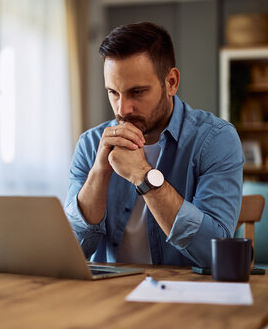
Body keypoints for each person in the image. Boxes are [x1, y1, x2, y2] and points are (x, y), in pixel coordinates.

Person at [65, 22, 244, 268]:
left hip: (184, 296)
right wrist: (100, 171)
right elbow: (73, 249)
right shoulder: (90, 144)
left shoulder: (216, 140)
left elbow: (214, 252)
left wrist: (143, 175)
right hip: (108, 296)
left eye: (137, 92)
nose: (122, 109)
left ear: (171, 82)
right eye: (113, 92)